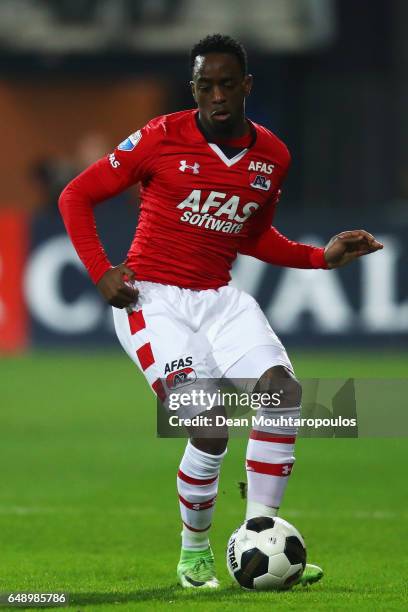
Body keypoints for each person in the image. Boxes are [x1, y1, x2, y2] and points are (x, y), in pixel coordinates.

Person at [58, 34, 383, 589]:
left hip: (220, 299)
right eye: (204, 85)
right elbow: (75, 195)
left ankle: (261, 535)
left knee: (281, 392)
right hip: (153, 300)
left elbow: (255, 236)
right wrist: (100, 270)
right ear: (194, 89)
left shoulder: (272, 155)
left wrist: (319, 258)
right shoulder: (161, 136)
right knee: (209, 426)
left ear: (246, 86)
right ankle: (194, 553)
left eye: (227, 84)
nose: (216, 96)